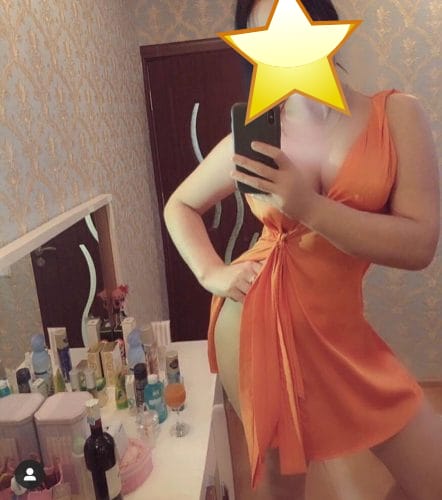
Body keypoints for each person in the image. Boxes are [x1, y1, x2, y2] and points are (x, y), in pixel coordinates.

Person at [163, 0, 441, 498]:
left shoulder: (396, 114)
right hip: (257, 317)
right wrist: (211, 273)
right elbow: (180, 205)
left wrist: (308, 206)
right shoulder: (255, 138)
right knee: (281, 484)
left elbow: (420, 245)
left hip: (342, 328)